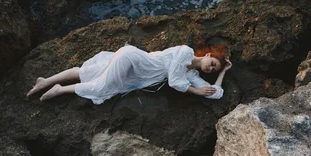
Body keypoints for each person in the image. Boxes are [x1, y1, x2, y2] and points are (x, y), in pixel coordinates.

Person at [26, 44, 232, 104]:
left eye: (213, 69)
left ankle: (46, 81)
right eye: (212, 62)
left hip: (134, 73)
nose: (210, 68)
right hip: (131, 58)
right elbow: (174, 81)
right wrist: (195, 92)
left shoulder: (190, 76)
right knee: (101, 87)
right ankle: (60, 89)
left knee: (87, 71)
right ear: (206, 55)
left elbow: (216, 93)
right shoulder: (185, 52)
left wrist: (222, 72)